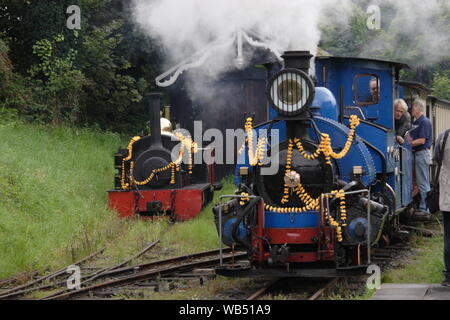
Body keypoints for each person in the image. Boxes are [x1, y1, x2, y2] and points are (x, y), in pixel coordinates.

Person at [410, 98, 433, 214]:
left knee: (423, 182)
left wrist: (407, 143)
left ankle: (425, 209)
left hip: (421, 153)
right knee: (417, 182)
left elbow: (422, 140)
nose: (412, 110)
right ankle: (420, 206)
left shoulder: (424, 121)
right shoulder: (415, 122)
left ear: (418, 109)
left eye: (413, 108)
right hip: (415, 154)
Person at [434, 128, 450, 286]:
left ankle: (449, 275)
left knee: (448, 237)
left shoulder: (444, 136)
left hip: (448, 194)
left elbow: (436, 158)